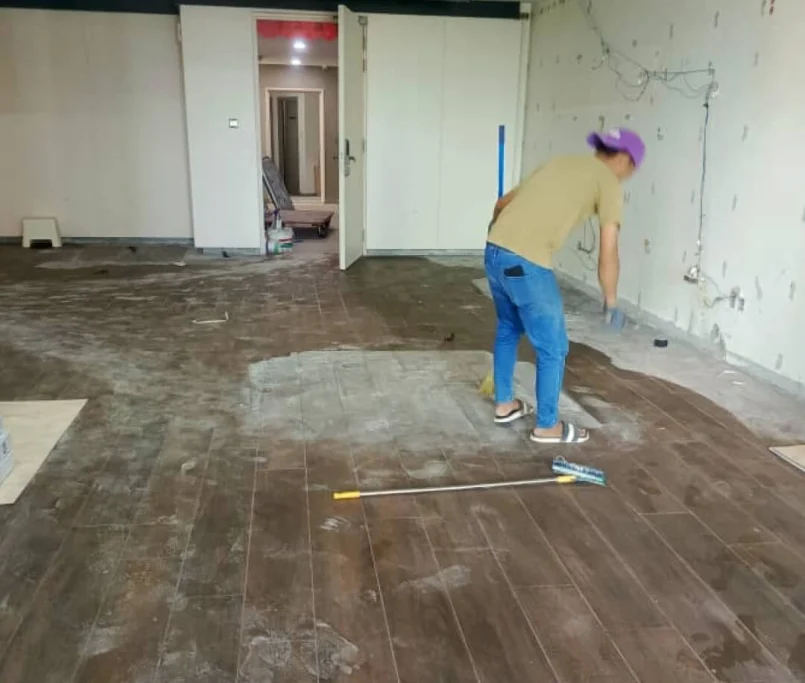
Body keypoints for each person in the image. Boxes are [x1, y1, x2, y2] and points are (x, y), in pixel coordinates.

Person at [485, 127, 645, 444]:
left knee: (508, 326)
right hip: (526, 261)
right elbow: (609, 250)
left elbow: (503, 203)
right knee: (553, 347)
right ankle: (547, 426)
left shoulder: (559, 163)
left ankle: (505, 404)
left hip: (494, 251)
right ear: (625, 160)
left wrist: (499, 241)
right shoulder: (608, 183)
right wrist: (611, 301)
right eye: (632, 168)